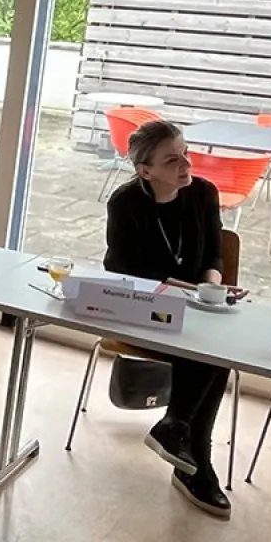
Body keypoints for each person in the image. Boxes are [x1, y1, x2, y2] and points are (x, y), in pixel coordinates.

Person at [103, 120, 234, 518]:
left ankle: (178, 429)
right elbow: (122, 268)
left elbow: (214, 255)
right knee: (209, 352)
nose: (185, 165)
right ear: (146, 171)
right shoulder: (125, 203)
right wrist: (178, 288)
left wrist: (213, 285)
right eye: (172, 160)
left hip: (193, 307)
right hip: (142, 308)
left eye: (185, 154)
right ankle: (195, 460)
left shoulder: (203, 194)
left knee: (214, 345)